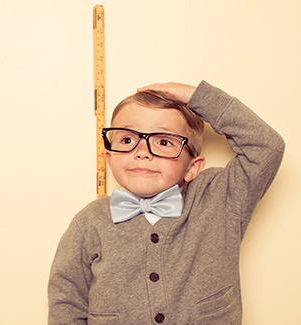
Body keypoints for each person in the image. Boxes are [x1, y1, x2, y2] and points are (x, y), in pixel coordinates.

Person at [48, 80, 285, 324]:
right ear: (110, 158)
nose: (142, 151)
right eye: (128, 140)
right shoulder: (89, 222)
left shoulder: (220, 199)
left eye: (163, 142)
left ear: (193, 167)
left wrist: (197, 97)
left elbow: (266, 147)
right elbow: (66, 301)